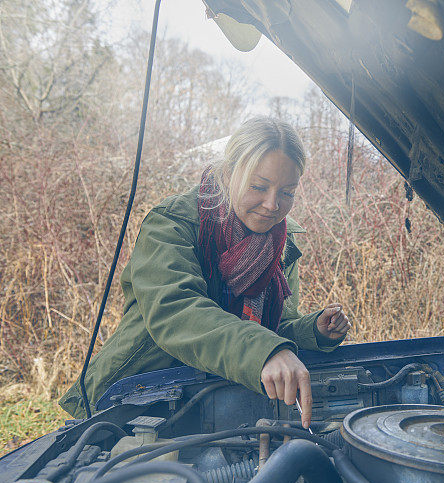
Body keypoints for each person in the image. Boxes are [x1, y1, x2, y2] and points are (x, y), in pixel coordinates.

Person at [59, 116, 350, 427]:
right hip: (136, 399)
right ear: (228, 174)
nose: (272, 205)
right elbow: (177, 312)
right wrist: (264, 352)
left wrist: (313, 330)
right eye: (258, 186)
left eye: (287, 192)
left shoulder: (281, 242)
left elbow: (275, 328)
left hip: (222, 400)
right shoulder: (171, 223)